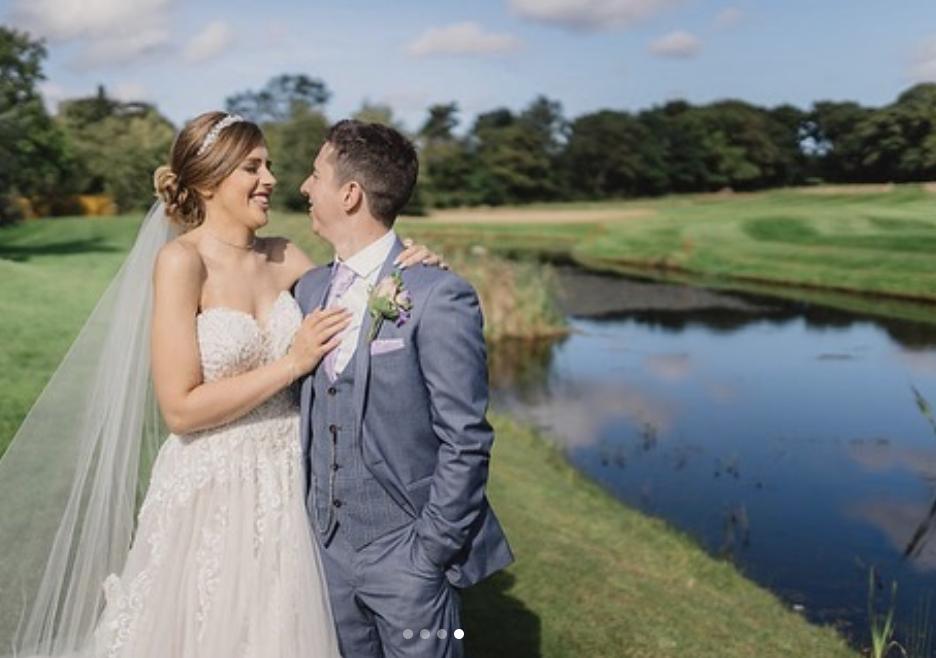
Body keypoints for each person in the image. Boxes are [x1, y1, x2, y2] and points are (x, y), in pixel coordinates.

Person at [0, 111, 445, 658]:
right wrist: (291, 364)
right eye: (252, 166)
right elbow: (180, 409)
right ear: (210, 180)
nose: (271, 179)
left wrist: (409, 268)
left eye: (271, 165)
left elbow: (360, 292)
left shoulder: (288, 257)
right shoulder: (181, 262)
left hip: (289, 483)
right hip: (211, 486)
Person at [294, 119, 514, 658]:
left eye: (315, 174)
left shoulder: (438, 294)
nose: (303, 186)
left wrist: (429, 552)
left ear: (350, 195)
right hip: (324, 551)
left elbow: (465, 440)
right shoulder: (307, 288)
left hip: (408, 557)